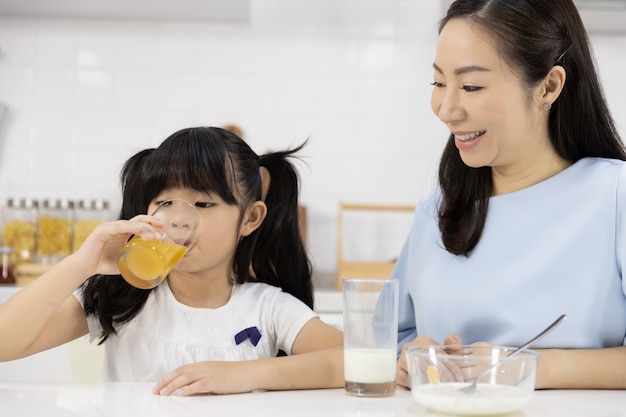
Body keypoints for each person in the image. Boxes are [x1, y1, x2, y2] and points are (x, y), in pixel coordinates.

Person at [0, 126, 343, 395]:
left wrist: (245, 375)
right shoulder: (124, 298)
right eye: (164, 203)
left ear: (250, 219)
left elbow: (357, 361)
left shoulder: (267, 308)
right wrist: (80, 265)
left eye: (203, 204)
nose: (179, 219)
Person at [394, 0, 626, 390]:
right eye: (438, 83)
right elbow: (391, 341)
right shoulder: (435, 211)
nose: (446, 109)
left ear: (549, 86)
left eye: (471, 86)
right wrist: (408, 361)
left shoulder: (614, 194)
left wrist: (525, 368)